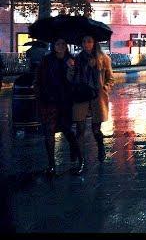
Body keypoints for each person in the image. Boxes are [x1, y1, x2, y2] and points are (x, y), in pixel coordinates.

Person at [34, 38, 82, 176]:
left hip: (65, 102)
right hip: (48, 101)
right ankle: (51, 165)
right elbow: (38, 79)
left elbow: (74, 81)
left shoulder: (71, 60)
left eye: (63, 44)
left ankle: (80, 159)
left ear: (66, 46)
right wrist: (39, 94)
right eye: (57, 44)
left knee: (68, 131)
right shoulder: (46, 60)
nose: (60, 46)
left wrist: (71, 70)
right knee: (48, 133)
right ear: (53, 46)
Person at [67, 35, 114, 173]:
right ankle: (81, 162)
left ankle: (100, 146)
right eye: (84, 41)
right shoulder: (76, 59)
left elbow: (111, 79)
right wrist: (70, 68)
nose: (86, 44)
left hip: (97, 97)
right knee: (80, 130)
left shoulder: (103, 59)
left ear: (94, 43)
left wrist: (105, 88)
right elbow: (70, 79)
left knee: (95, 130)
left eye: (89, 41)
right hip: (81, 96)